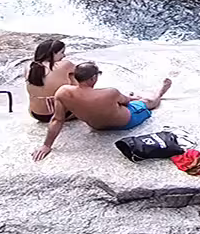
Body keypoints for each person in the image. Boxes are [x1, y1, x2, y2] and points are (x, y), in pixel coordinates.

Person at [33, 63, 173, 161]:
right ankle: (160, 92)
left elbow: (57, 119)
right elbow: (126, 101)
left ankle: (141, 96)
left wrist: (46, 145)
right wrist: (133, 98)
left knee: (126, 100)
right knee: (148, 102)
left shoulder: (63, 92)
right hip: (126, 121)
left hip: (97, 126)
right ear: (93, 78)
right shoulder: (109, 92)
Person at [24, 39, 78, 123]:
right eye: (62, 52)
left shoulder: (29, 67)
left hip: (36, 114)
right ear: (53, 53)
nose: (64, 55)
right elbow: (83, 74)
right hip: (62, 114)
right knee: (74, 76)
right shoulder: (65, 64)